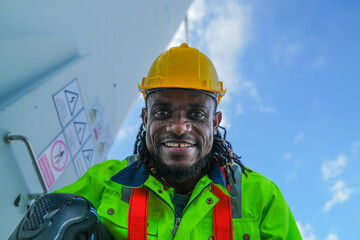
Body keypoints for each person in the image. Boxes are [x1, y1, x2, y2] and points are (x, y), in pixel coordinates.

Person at [56, 43, 302, 239]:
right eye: (162, 112)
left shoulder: (261, 197)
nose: (178, 127)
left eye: (196, 115)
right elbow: (39, 223)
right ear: (145, 118)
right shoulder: (104, 182)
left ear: (214, 123)